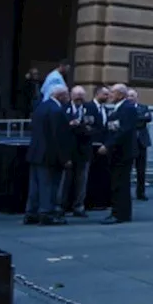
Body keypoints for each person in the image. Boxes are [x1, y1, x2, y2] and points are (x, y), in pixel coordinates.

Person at [25, 84, 73, 226]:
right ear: (60, 95)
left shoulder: (41, 107)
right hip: (49, 155)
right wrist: (65, 158)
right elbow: (58, 137)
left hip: (35, 152)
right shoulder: (56, 111)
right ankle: (46, 213)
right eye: (66, 94)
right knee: (49, 185)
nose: (68, 97)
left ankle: (31, 213)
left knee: (35, 185)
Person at [99, 83, 140, 224]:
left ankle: (121, 214)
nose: (110, 95)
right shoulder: (117, 108)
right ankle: (116, 211)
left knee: (121, 184)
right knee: (116, 183)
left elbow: (124, 130)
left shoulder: (127, 109)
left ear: (121, 94)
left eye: (113, 92)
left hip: (124, 152)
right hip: (116, 152)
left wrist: (108, 145)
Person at [61, 85, 102, 217]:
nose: (79, 98)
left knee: (81, 181)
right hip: (67, 150)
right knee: (64, 181)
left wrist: (85, 129)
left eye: (81, 95)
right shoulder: (63, 108)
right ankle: (61, 206)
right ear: (71, 95)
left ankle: (79, 206)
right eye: (76, 95)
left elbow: (98, 126)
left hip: (84, 150)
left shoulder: (90, 108)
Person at [128, 89, 153, 201]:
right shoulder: (126, 109)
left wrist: (136, 119)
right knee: (127, 169)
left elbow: (149, 118)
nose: (130, 98)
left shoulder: (144, 107)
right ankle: (126, 192)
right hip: (129, 142)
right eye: (128, 96)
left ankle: (141, 193)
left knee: (141, 170)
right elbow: (131, 120)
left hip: (142, 142)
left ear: (137, 97)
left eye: (132, 96)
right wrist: (140, 118)